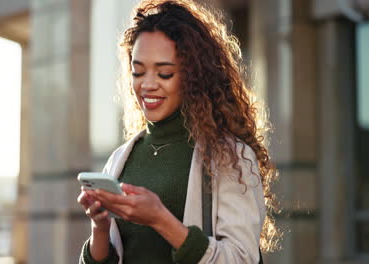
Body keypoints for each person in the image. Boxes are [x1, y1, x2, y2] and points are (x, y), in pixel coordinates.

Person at [77, 0, 279, 263]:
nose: (147, 85)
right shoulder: (119, 159)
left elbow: (241, 258)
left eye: (164, 74)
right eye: (138, 72)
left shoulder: (229, 157)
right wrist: (100, 227)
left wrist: (161, 220)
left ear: (193, 76)